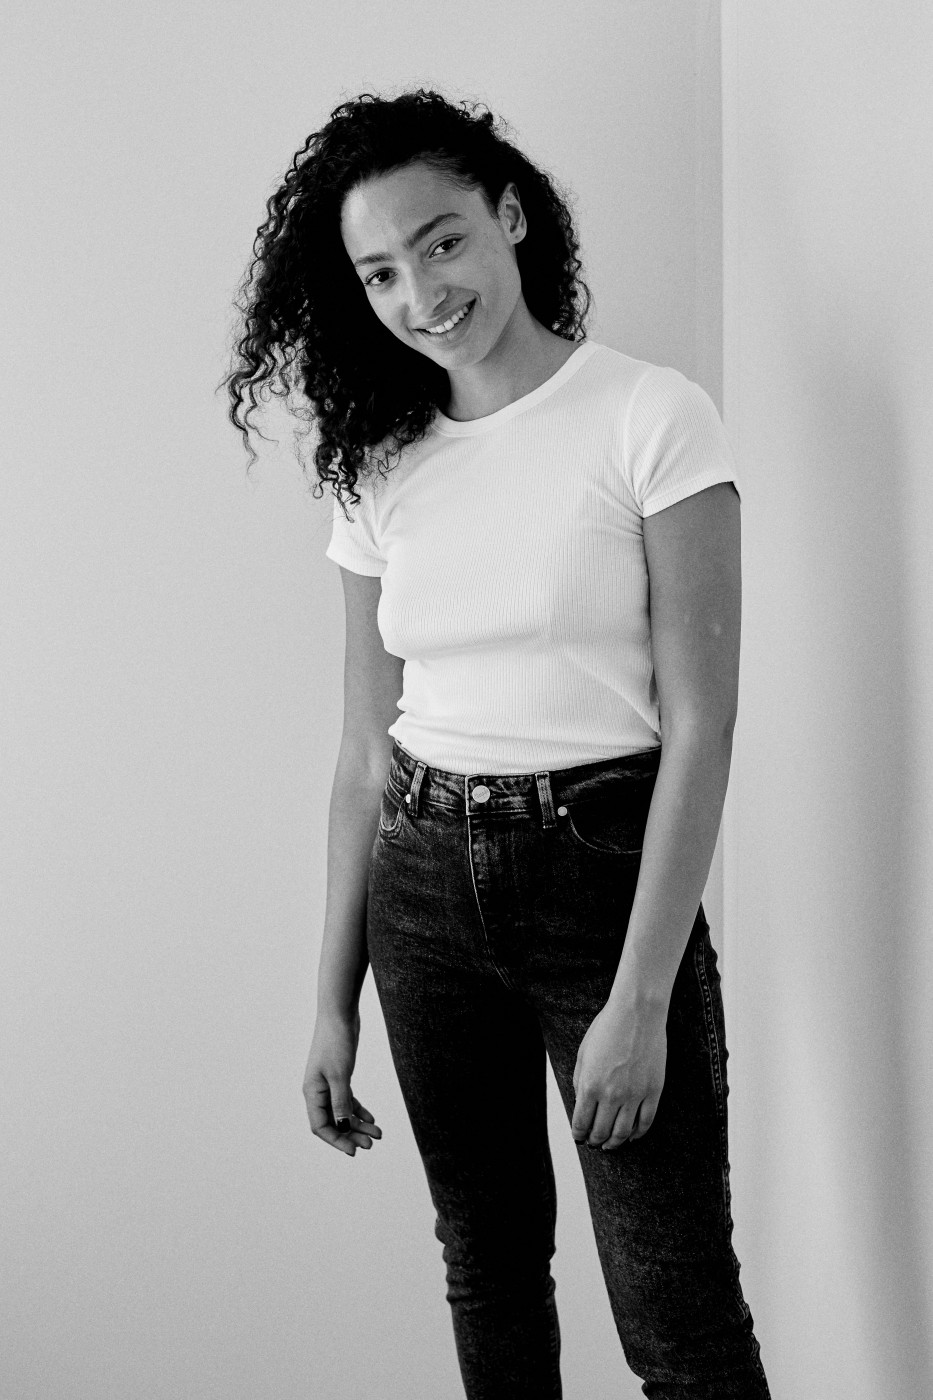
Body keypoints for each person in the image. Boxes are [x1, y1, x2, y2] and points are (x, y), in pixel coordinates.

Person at [223, 87, 771, 1400]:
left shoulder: (648, 416)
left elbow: (701, 726)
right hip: (420, 890)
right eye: (380, 272)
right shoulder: (379, 464)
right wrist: (329, 1003)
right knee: (488, 1269)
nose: (422, 294)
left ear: (510, 215)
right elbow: (363, 754)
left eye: (443, 241)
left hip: (600, 883)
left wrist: (642, 999)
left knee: (675, 1310)